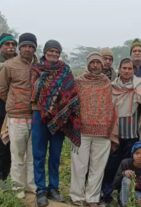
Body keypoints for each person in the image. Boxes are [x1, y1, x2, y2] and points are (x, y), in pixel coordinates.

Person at [31, 40, 81, 206]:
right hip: (39, 115)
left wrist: (60, 109)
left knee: (55, 155)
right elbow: (33, 91)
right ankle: (40, 190)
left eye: (56, 51)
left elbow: (72, 92)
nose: (53, 54)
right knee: (39, 154)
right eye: (50, 51)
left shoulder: (65, 70)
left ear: (59, 53)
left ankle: (54, 188)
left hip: (59, 118)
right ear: (45, 52)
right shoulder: (36, 69)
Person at [101, 58, 141, 204]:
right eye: (124, 68)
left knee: (128, 168)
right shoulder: (112, 86)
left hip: (132, 135)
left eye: (130, 68)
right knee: (111, 167)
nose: (127, 71)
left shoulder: (140, 85)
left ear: (133, 70)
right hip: (114, 134)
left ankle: (124, 196)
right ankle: (107, 193)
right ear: (119, 69)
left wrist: (136, 89)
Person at [70, 52, 115, 207]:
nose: (95, 65)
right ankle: (76, 196)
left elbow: (111, 107)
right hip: (81, 131)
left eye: (98, 63)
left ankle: (92, 198)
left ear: (102, 65)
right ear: (88, 64)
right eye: (92, 62)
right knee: (79, 166)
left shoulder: (107, 83)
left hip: (103, 133)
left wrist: (111, 130)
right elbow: (72, 104)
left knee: (98, 167)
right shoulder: (79, 82)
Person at [0, 33, 38, 198]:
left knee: (31, 154)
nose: (28, 49)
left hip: (35, 116)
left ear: (34, 48)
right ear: (20, 47)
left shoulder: (38, 66)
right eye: (25, 46)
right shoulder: (8, 65)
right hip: (16, 116)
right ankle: (17, 187)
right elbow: (2, 90)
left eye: (31, 46)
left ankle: (30, 185)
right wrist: (13, 103)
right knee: (17, 154)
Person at [113, 141, 141, 207]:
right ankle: (125, 205)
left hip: (138, 194)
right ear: (132, 154)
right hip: (123, 193)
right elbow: (115, 184)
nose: (139, 156)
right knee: (126, 180)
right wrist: (124, 173)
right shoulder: (125, 163)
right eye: (137, 153)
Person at [0, 33, 17, 181]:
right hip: (2, 106)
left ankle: (7, 174)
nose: (10, 47)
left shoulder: (22, 63)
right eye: (7, 44)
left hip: (15, 109)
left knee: (11, 142)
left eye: (13, 44)